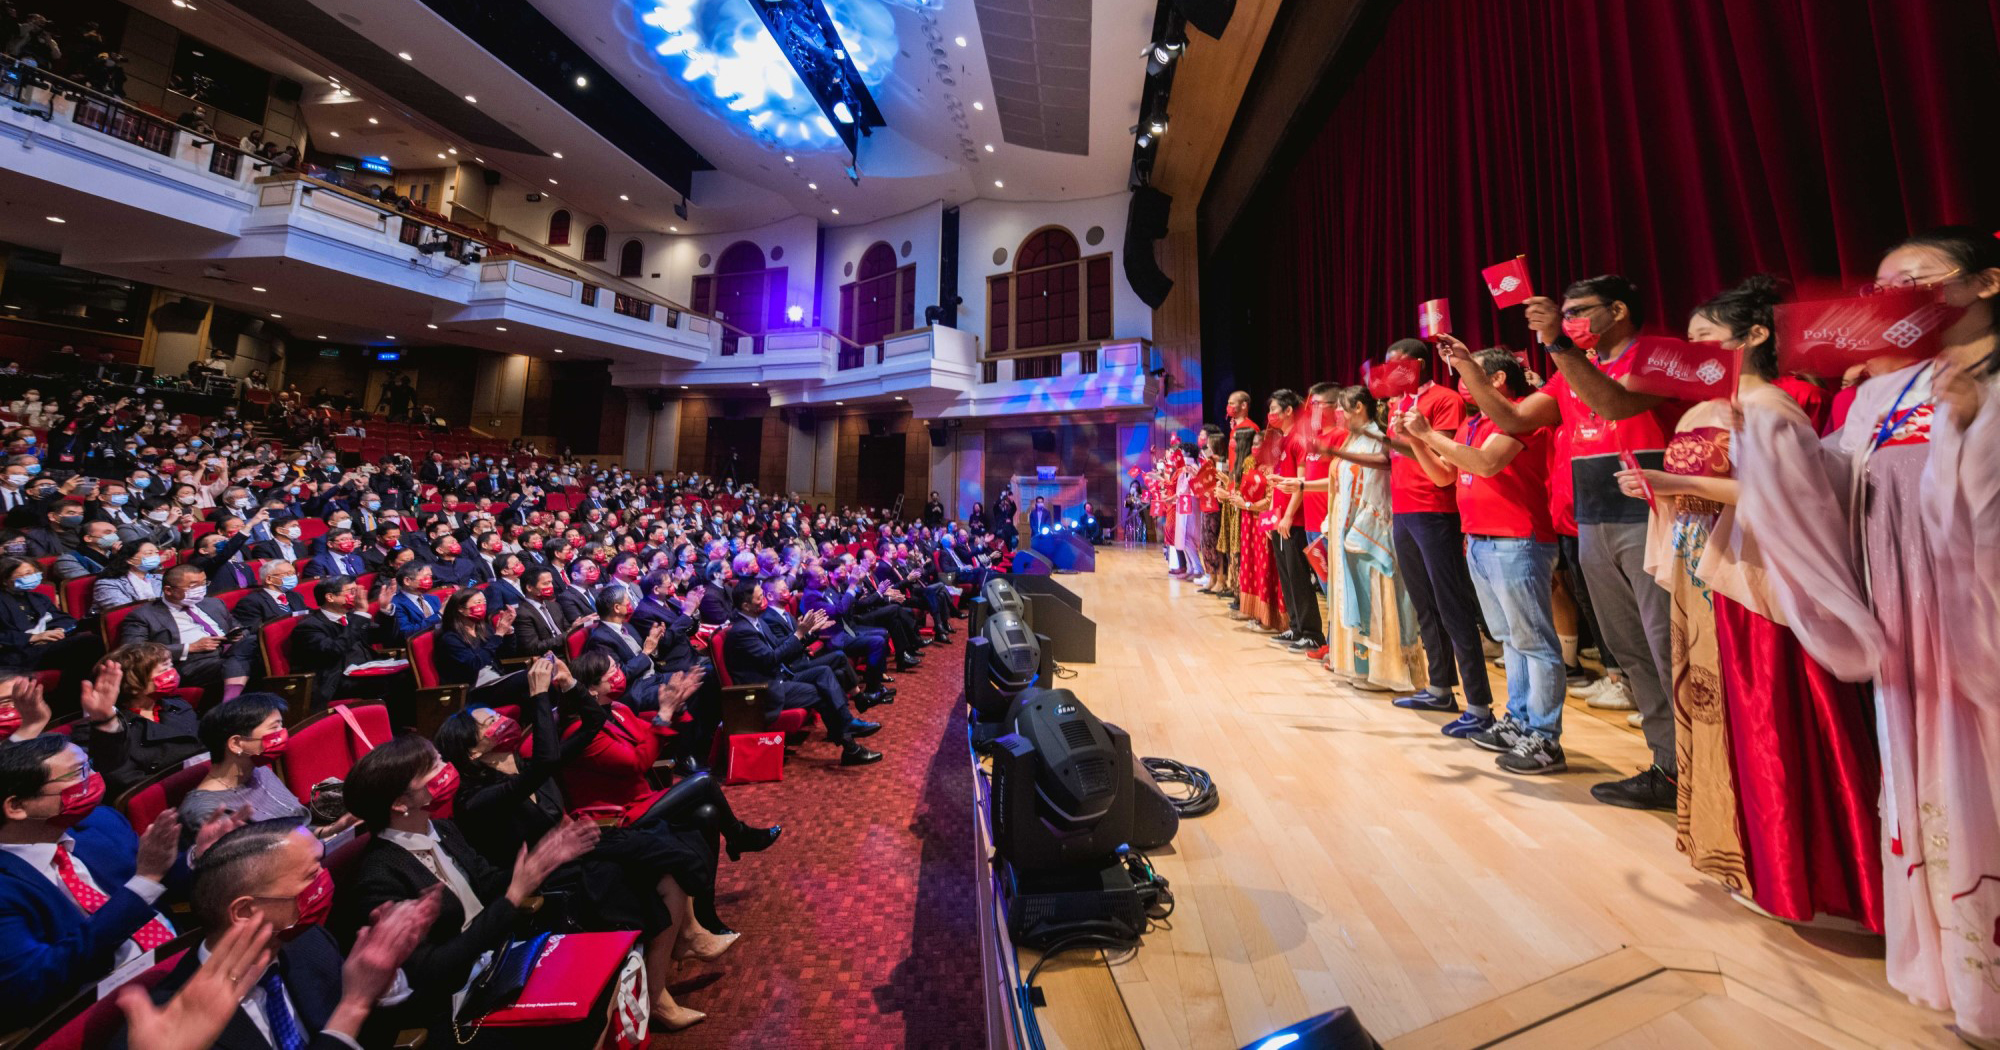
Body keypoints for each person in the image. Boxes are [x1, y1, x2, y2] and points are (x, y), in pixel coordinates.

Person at [1736, 228, 2000, 1039]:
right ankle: (1972, 984)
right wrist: (1780, 442)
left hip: (1983, 620)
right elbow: (1841, 490)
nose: (1892, 300)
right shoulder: (1885, 392)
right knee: (1939, 788)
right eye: (1880, 288)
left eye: (1914, 280)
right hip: (1914, 628)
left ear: (1986, 282)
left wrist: (1973, 429)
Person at [1615, 274, 1881, 930]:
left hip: (1757, 582)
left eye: (1706, 337)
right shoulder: (1710, 410)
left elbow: (1795, 502)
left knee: (1771, 724)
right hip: (1708, 576)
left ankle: (1805, 877)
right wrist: (1658, 492)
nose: (1694, 350)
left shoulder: (1772, 409)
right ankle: (1744, 855)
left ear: (1754, 335)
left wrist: (1671, 482)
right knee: (1721, 720)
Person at [1459, 275, 1686, 810]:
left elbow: (1614, 404)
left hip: (1652, 518)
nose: (1570, 322)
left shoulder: (1658, 357)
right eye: (1565, 314)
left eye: (1579, 312)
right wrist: (1469, 369)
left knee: (1669, 648)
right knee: (1630, 650)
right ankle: (1669, 767)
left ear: (1619, 309)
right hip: (1593, 520)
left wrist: (1558, 344)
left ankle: (1707, 771)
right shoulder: (1568, 374)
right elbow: (1512, 417)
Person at [436, 661, 748, 1031]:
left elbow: (593, 722)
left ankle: (673, 962)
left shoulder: (521, 763)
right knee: (658, 866)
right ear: (473, 752)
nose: (502, 722)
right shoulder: (477, 798)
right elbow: (547, 761)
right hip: (547, 877)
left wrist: (570, 685)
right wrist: (539, 695)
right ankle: (663, 987)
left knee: (672, 857)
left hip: (577, 850)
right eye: (490, 723)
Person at [330, 735, 598, 1033]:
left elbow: (484, 882)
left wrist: (540, 862)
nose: (446, 768)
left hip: (498, 960)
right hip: (458, 1000)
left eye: (440, 759)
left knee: (596, 975)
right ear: (400, 802)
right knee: (585, 1021)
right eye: (433, 767)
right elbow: (432, 969)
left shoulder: (441, 829)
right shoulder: (378, 878)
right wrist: (512, 898)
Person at [111, 819, 435, 1050]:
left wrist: (382, 982)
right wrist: (355, 1004)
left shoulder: (310, 943)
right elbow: (344, 1024)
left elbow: (362, 1041)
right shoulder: (171, 1028)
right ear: (245, 911)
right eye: (311, 875)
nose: (325, 881)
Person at [1405, 349, 1565, 770]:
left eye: (1468, 372)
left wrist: (1429, 433)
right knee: (1510, 639)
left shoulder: (1520, 417)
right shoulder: (1473, 423)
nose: (1460, 381)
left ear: (1496, 380)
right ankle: (1518, 720)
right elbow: (1445, 475)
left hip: (1518, 539)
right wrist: (1418, 440)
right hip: (1479, 539)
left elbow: (1487, 464)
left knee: (1534, 642)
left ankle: (1545, 737)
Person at [0, 734, 184, 1015]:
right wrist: (143, 883)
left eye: (89, 766)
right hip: (111, 1006)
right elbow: (34, 982)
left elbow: (166, 881)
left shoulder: (101, 821)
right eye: (77, 773)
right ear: (17, 807)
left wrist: (199, 855)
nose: (93, 779)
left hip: (180, 954)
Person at [1324, 386, 1423, 692]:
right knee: (1350, 594)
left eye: (1341, 407)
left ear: (1358, 407)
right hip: (1346, 527)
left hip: (1367, 531)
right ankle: (1357, 666)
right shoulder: (1353, 440)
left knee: (1376, 595)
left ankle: (1385, 670)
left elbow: (1379, 489)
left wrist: (1361, 530)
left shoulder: (1375, 440)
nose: (1337, 413)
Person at [721, 580, 881, 766]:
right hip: (763, 690)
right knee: (821, 694)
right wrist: (798, 634)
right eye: (759, 598)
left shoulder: (757, 621)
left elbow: (781, 648)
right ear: (746, 606)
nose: (763, 600)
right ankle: (850, 746)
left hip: (781, 675)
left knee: (823, 672)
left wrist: (806, 633)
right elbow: (772, 659)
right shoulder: (742, 631)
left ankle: (848, 727)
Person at [69, 645, 203, 795]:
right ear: (133, 683)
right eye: (164, 670)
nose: (173, 674)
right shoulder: (98, 731)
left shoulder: (177, 705)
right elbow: (128, 786)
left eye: (171, 666)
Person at [116, 563, 258, 701]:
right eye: (194, 586)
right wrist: (190, 647)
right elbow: (132, 650)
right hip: (193, 663)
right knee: (252, 659)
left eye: (204, 583)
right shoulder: (143, 615)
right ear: (168, 590)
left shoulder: (213, 603)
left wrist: (238, 634)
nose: (201, 589)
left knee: (255, 642)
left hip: (232, 651)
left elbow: (239, 627)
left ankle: (231, 699)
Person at [432, 588, 528, 707]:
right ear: (461, 609)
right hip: (474, 690)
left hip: (497, 678)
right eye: (477, 603)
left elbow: (506, 653)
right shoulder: (450, 638)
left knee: (538, 680)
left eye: (484, 602)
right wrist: (498, 635)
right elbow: (475, 664)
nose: (482, 606)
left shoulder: (482, 628)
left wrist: (508, 633)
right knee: (530, 678)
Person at [231, 559, 306, 630]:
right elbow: (254, 633)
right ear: (269, 579)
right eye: (288, 574)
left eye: (294, 574)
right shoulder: (251, 602)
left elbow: (307, 616)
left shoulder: (295, 596)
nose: (293, 577)